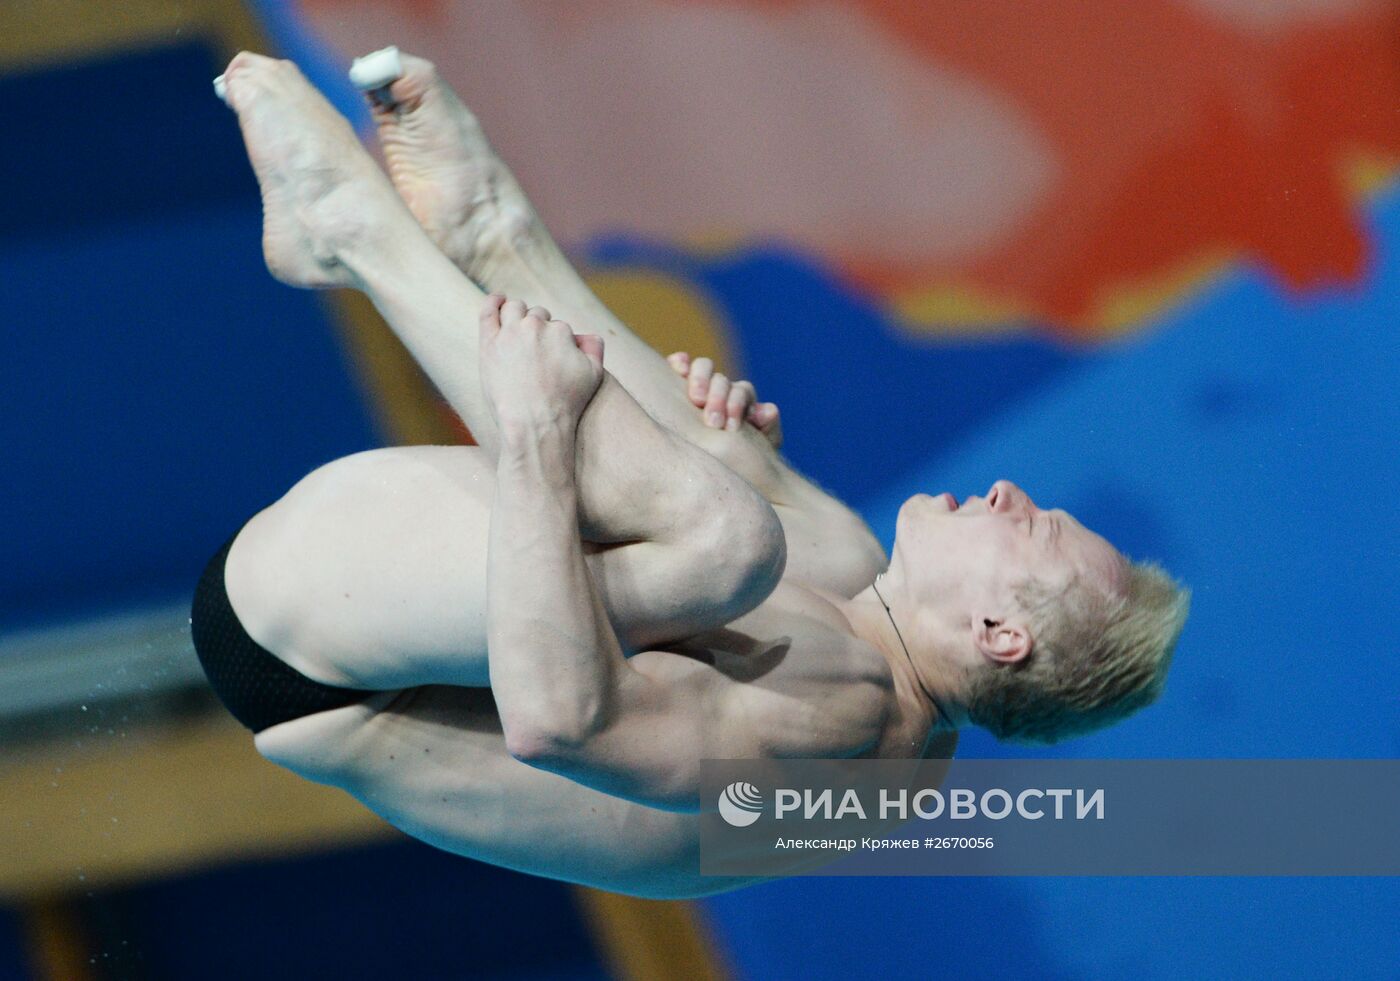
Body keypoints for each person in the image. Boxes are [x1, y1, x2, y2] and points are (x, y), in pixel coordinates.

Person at [191, 51, 1189, 898]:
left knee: (727, 539)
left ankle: (361, 236)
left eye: (1039, 531)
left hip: (318, 660)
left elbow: (559, 723)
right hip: (374, 615)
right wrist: (720, 448)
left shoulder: (852, 728)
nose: (1016, 497)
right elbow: (711, 496)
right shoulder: (863, 626)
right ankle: (491, 235)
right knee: (740, 503)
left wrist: (543, 439)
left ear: (997, 635)